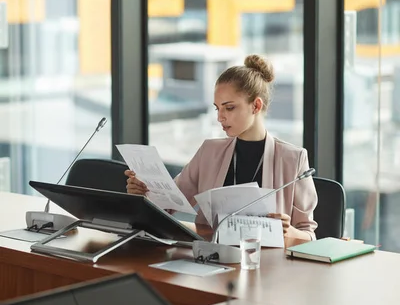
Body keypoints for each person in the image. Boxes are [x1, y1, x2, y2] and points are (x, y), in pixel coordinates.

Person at [125, 54, 317, 240]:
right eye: (218, 108)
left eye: (229, 107)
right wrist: (144, 195)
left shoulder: (293, 159)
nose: (220, 117)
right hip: (211, 260)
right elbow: (168, 207)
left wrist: (289, 231)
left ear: (256, 106)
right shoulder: (209, 152)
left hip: (266, 264)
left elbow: (309, 235)